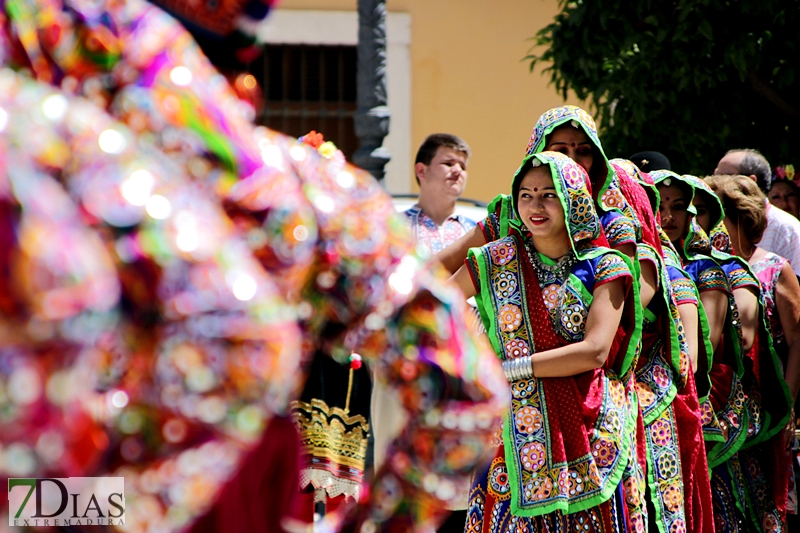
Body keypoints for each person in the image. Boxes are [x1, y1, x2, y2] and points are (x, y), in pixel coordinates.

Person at [0, 2, 509, 532]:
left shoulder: (38, 161)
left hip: (61, 491)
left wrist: (93, 504)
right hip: (236, 497)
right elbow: (467, 392)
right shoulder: (315, 190)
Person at [451, 151, 645, 532]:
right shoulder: (497, 259)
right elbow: (436, 307)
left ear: (573, 197)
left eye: (548, 194)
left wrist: (508, 368)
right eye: (525, 195)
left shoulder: (605, 266)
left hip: (589, 427)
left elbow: (594, 351)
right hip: (510, 431)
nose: (534, 206)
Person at [705, 174, 800, 527]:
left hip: (764, 402)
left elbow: (796, 340)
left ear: (740, 218)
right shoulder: (699, 266)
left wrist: (786, 401)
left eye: (714, 214)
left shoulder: (775, 268)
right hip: (719, 407)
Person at [715, 149, 800, 269]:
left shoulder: (786, 228)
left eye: (722, 177)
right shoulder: (714, 224)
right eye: (714, 176)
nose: (715, 183)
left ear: (749, 182)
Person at [405, 133, 475, 255]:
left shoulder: (475, 232)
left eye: (463, 167)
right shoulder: (395, 226)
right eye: (448, 163)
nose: (458, 170)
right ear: (421, 171)